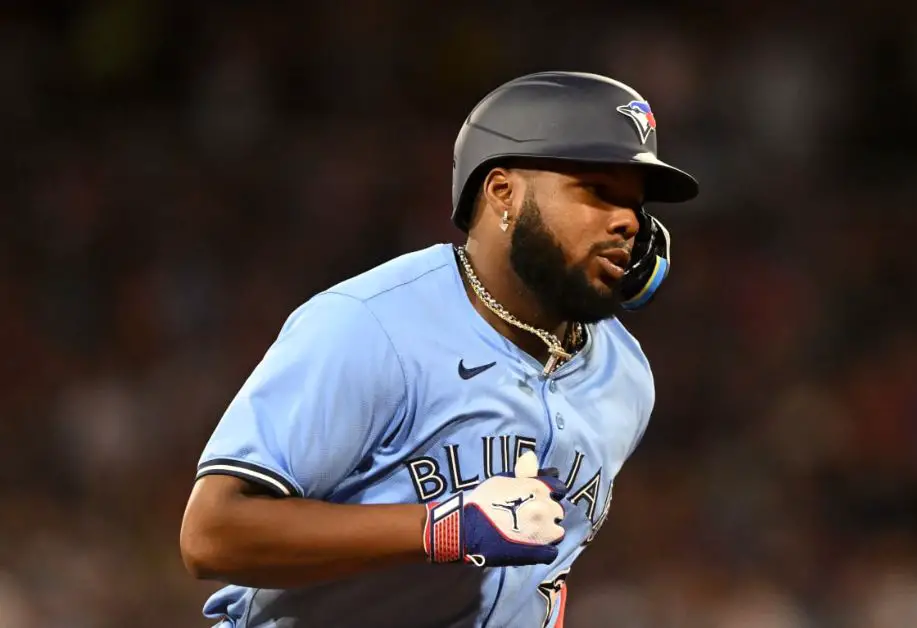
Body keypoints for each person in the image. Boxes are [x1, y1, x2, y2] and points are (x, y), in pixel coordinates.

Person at [179, 70, 699, 628]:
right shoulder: (371, 324)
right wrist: (441, 528)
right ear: (503, 192)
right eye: (597, 191)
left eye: (636, 205)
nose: (628, 221)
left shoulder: (625, 377)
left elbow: (541, 576)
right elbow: (212, 535)